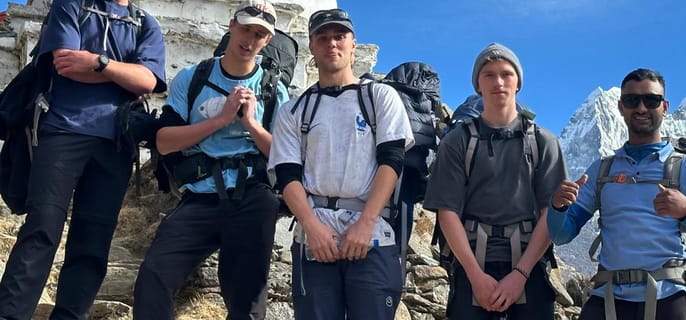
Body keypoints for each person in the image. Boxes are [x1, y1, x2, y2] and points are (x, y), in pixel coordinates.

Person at [0, 0, 166, 318]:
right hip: (61, 130)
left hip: (116, 142)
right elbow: (65, 64)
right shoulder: (72, 5)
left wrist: (96, 62)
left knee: (93, 240)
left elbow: (148, 81)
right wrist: (122, 74)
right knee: (42, 228)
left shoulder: (146, 24)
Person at [547, 68, 686, 320]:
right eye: (632, 101)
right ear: (621, 107)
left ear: (664, 107)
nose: (641, 108)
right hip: (608, 296)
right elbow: (561, 234)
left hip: (670, 296)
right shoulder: (601, 170)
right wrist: (558, 207)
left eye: (651, 100)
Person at [131, 0, 287, 318]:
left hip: (253, 195)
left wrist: (251, 124)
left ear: (267, 40)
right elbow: (164, 141)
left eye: (259, 34)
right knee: (154, 275)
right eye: (245, 29)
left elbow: (284, 157)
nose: (249, 40)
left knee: (247, 297)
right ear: (231, 25)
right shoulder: (194, 78)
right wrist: (220, 119)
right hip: (200, 196)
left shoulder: (274, 90)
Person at [267, 8, 413, 320]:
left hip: (371, 230)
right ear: (312, 47)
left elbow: (392, 160)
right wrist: (312, 227)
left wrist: (366, 222)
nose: (332, 43)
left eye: (339, 36)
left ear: (353, 45)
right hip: (314, 232)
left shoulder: (380, 97)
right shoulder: (294, 111)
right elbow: (287, 174)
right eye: (323, 38)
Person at [423, 43, 567, 320]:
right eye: (488, 74)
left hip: (530, 263)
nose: (498, 82)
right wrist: (475, 276)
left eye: (506, 74)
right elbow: (447, 211)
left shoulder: (543, 142)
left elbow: (551, 213)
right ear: (477, 83)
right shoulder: (458, 141)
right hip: (472, 262)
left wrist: (520, 274)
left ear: (518, 83)